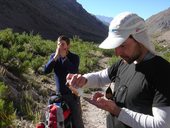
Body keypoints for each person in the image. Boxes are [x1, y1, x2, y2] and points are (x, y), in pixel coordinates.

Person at [66, 12, 170, 128]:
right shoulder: (125, 62)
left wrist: (116, 111)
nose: (117, 53)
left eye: (122, 45)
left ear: (139, 39)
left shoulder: (163, 71)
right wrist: (84, 80)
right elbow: (101, 77)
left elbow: (162, 124)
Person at [44, 35, 84, 128]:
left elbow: (73, 70)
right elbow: (46, 70)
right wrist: (56, 57)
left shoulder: (74, 57)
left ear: (68, 46)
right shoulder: (53, 57)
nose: (60, 46)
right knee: (54, 120)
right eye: (58, 44)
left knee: (77, 122)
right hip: (58, 95)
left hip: (72, 95)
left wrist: (64, 58)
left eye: (62, 44)